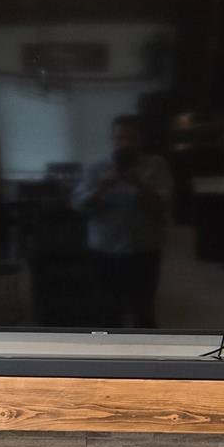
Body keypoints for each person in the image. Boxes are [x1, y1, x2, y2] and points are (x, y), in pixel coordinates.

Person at [71, 115, 172, 328]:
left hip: (145, 247)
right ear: (112, 139)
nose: (124, 143)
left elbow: (167, 203)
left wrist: (139, 185)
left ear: (142, 140)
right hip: (106, 249)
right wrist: (102, 187)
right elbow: (78, 204)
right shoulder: (96, 168)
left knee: (143, 308)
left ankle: (146, 353)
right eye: (119, 138)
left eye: (131, 138)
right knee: (108, 309)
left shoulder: (157, 165)